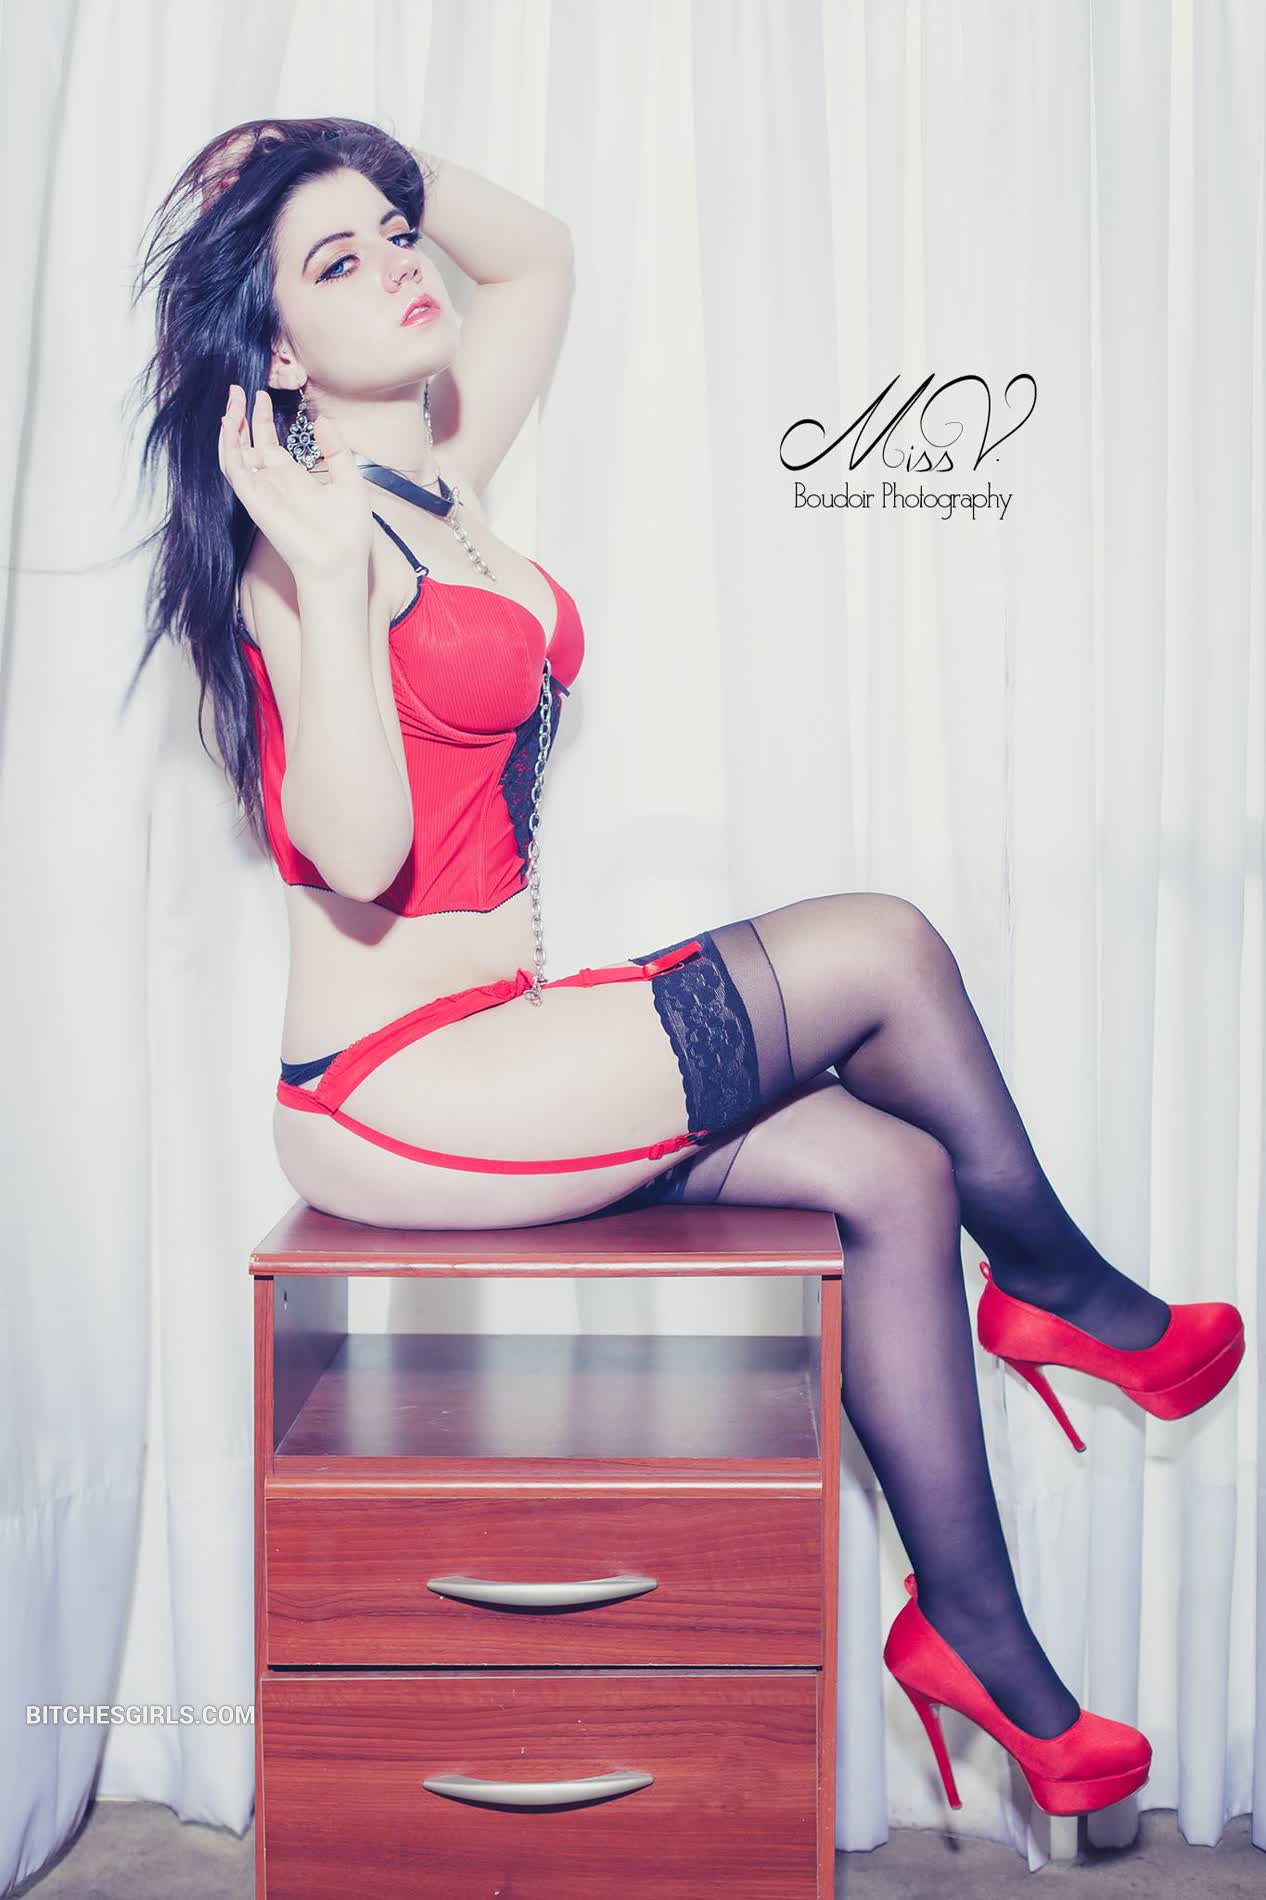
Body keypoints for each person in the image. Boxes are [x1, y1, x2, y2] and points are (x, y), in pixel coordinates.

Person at [133, 117, 1244, 1817]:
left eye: (396, 234)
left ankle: (974, 1634)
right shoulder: (301, 546)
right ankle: (1059, 1289)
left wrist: (350, 150)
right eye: (337, 262)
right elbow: (355, 855)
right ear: (276, 351)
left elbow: (539, 255)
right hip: (395, 1094)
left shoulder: (442, 473)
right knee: (879, 947)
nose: (401, 265)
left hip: (509, 1041)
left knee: (889, 1168)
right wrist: (339, 586)